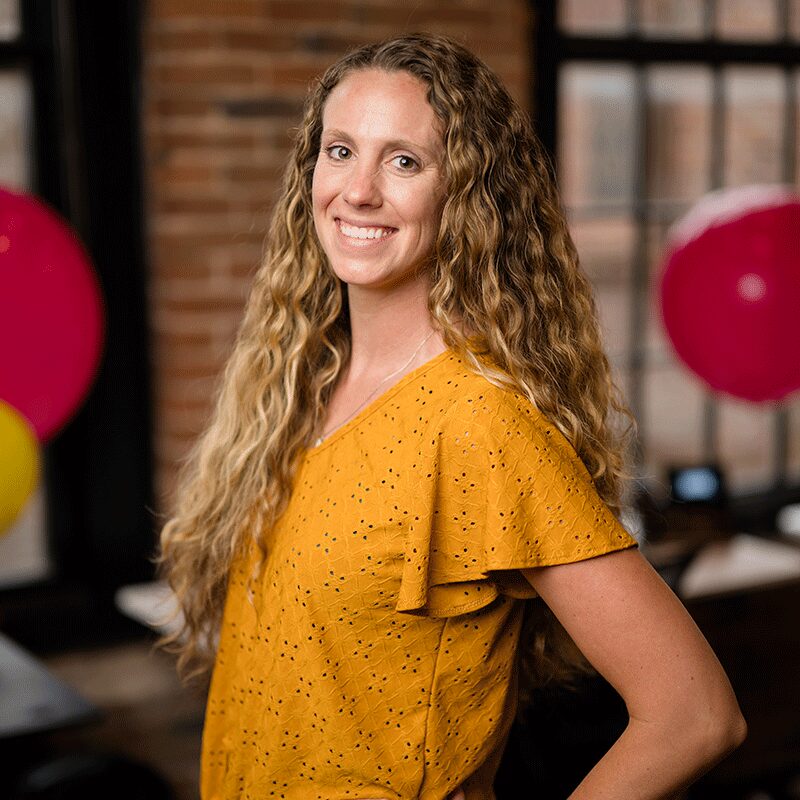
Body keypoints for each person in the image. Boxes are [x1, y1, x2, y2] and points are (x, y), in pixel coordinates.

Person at [158, 33, 746, 800]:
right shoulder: (296, 383)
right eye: (340, 151)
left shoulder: (480, 424)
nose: (359, 190)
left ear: (465, 192)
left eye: (405, 161)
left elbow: (694, 714)